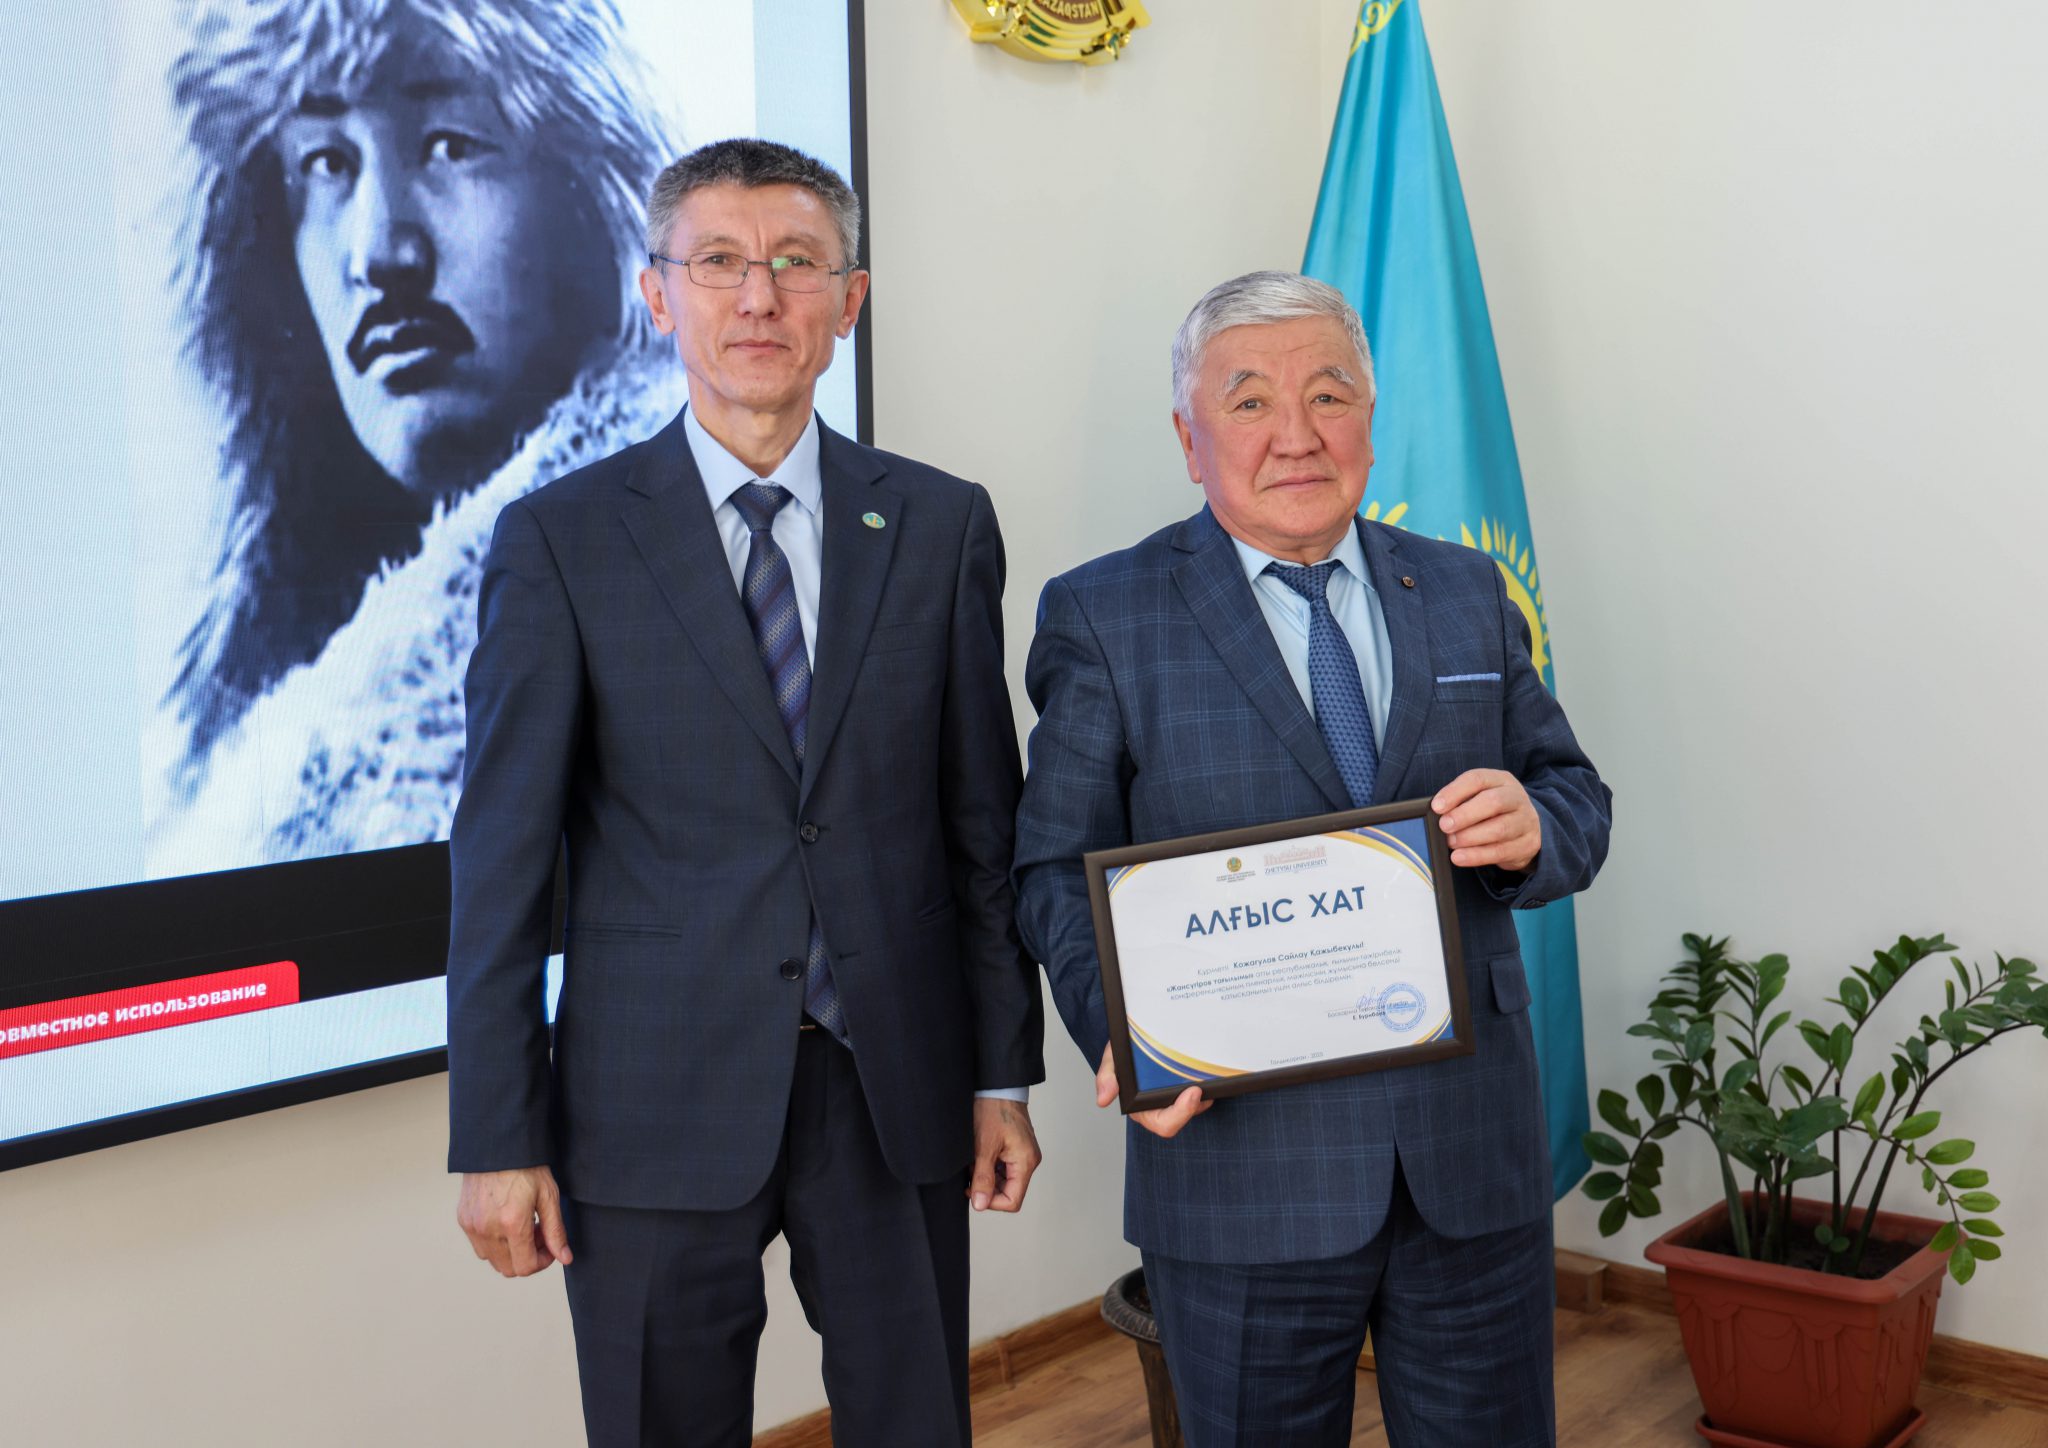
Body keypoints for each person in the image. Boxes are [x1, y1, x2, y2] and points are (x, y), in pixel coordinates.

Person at [446, 139, 1046, 1448]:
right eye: (718, 262)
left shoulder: (938, 524)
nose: (759, 297)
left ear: (850, 299)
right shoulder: (560, 540)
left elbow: (979, 830)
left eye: (796, 264)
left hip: (892, 1085)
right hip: (648, 1102)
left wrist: (1001, 1071)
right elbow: (499, 864)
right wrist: (495, 1132)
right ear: (658, 296)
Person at [1013, 271, 1612, 1446]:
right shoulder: (1104, 614)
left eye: (1328, 395)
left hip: (1465, 1152)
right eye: (1248, 402)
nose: (1295, 434)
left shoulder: (1462, 588)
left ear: (1369, 425)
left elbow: (1571, 792)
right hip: (1241, 1169)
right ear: (1188, 438)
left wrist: (1535, 826)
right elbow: (1049, 866)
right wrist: (1118, 1027)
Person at [148, 0, 676, 873]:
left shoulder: (697, 594)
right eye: (326, 162)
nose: (380, 251)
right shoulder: (224, 737)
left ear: (589, 199)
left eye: (449, 145)